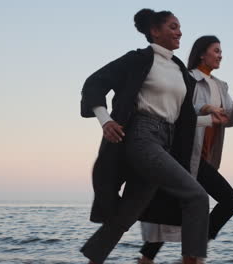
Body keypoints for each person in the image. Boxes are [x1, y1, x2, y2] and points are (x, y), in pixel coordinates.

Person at [80, 9, 211, 264]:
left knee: (126, 215)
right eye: (173, 27)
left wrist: (210, 120)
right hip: (141, 136)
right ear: (155, 30)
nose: (179, 32)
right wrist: (105, 120)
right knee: (196, 196)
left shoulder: (179, 70)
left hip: (165, 141)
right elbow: (94, 83)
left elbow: (180, 116)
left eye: (179, 27)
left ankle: (92, 260)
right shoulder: (138, 59)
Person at [138, 35, 233, 264]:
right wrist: (204, 107)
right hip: (184, 154)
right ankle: (193, 250)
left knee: (172, 210)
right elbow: (176, 109)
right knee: (229, 202)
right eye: (216, 50)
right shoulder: (187, 78)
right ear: (202, 53)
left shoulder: (220, 86)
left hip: (207, 157)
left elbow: (228, 119)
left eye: (221, 51)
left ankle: (148, 259)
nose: (220, 55)